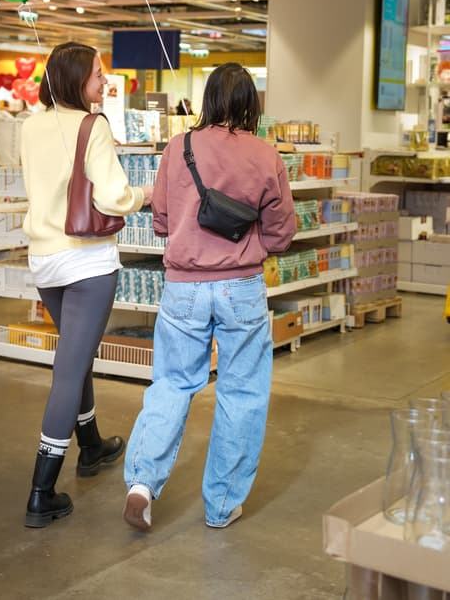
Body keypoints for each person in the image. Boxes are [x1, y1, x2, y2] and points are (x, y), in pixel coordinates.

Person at [123, 62, 296, 532]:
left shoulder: (177, 148)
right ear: (250, 104)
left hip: (183, 287)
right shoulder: (266, 155)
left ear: (208, 99)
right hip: (241, 288)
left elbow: (160, 219)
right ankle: (221, 507)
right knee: (241, 393)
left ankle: (141, 483)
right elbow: (281, 235)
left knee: (172, 384)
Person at [20, 41, 153, 528]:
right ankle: (42, 491)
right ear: (78, 79)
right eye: (99, 74)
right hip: (87, 262)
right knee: (69, 369)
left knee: (77, 357)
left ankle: (93, 447)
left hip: (45, 260)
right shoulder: (93, 126)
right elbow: (115, 196)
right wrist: (150, 193)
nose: (105, 81)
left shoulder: (30, 125)